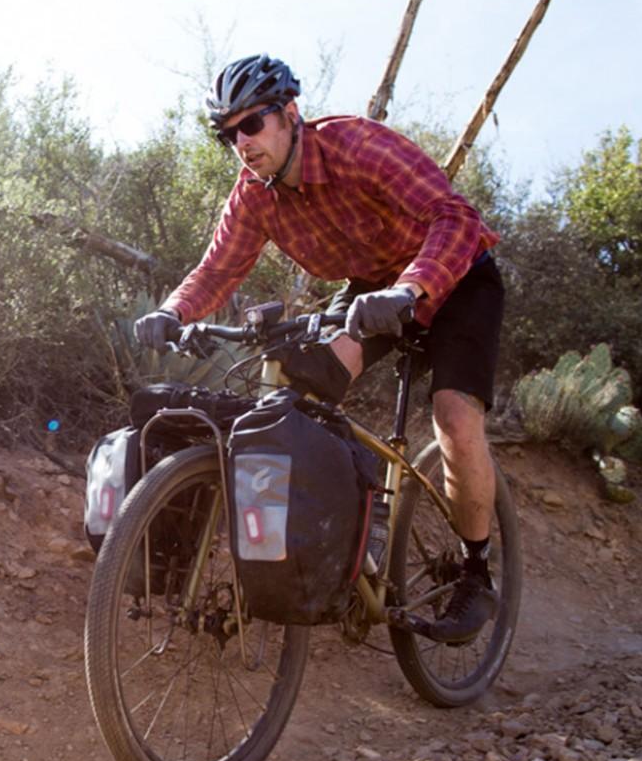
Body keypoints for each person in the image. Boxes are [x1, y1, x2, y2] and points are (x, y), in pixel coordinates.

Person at [134, 53, 504, 643]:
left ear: (290, 114)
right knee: (303, 395)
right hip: (372, 292)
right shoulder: (253, 195)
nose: (240, 143)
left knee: (455, 419)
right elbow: (217, 269)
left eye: (251, 125)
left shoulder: (357, 146)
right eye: (227, 134)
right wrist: (171, 311)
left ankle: (476, 570)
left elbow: (454, 215)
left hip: (456, 277)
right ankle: (350, 541)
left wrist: (412, 287)